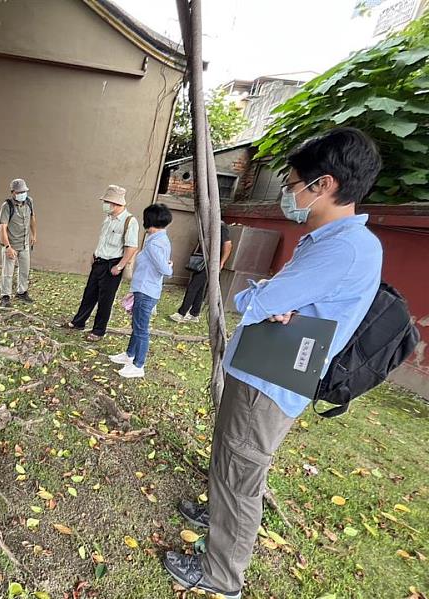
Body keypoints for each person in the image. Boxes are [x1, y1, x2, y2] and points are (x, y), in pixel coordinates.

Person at [163, 127, 383, 599]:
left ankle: (221, 576)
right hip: (266, 367)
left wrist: (260, 294)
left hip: (272, 380)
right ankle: (218, 513)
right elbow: (278, 299)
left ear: (322, 185)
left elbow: (256, 300)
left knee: (242, 468)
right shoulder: (335, 239)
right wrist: (272, 298)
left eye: (292, 183)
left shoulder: (342, 247)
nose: (288, 193)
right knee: (232, 456)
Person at [63, 185, 139, 341]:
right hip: (99, 261)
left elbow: (132, 247)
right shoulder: (108, 218)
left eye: (106, 201)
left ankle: (98, 331)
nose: (104, 204)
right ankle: (78, 322)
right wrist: (94, 254)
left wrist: (120, 266)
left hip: (113, 265)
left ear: (115, 203)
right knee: (89, 294)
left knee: (105, 300)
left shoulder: (129, 221)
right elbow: (103, 240)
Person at [109, 203, 173, 378]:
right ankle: (129, 355)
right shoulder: (157, 239)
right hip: (143, 289)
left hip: (146, 292)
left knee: (141, 329)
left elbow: (165, 270)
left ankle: (138, 365)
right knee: (137, 326)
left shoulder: (155, 244)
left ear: (148, 221)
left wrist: (169, 266)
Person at [170, 221, 232, 323]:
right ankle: (194, 313)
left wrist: (221, 263)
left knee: (193, 287)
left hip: (210, 262)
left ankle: (181, 313)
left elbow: (228, 245)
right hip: (202, 260)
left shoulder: (220, 228)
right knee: (200, 288)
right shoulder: (207, 227)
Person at [0, 178, 36, 307]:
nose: (22, 194)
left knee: (24, 270)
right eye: (19, 192)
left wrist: (34, 235)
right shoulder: (6, 206)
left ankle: (22, 292)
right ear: (13, 192)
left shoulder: (29, 202)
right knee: (8, 272)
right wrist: (7, 247)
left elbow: (32, 218)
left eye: (24, 191)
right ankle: (5, 296)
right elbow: (3, 227)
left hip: (24, 244)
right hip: (11, 244)